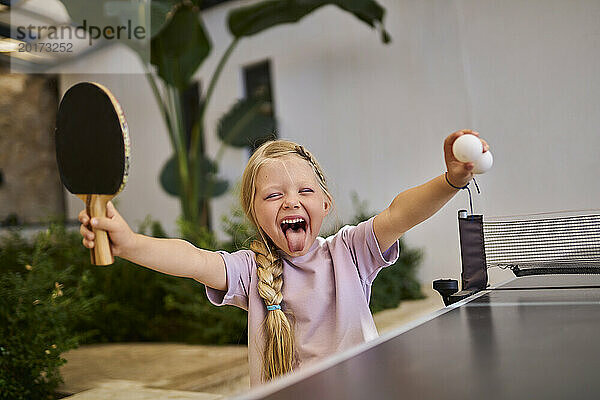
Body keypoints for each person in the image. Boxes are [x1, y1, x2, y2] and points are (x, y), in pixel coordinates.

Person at [78, 130, 489, 385]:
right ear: (255, 214)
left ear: (325, 204)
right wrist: (129, 243)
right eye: (273, 195)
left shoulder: (350, 251)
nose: (291, 201)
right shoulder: (248, 270)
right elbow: (192, 258)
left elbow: (401, 212)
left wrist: (451, 180)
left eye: (305, 192)